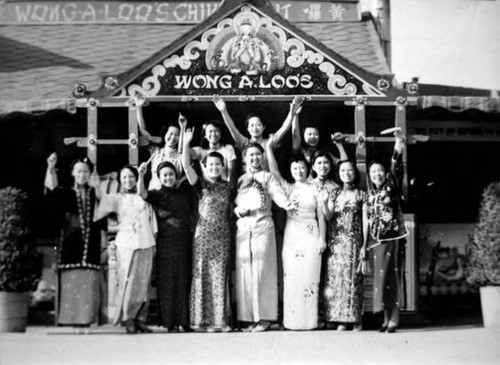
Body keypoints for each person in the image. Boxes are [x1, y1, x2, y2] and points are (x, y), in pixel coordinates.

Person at [44, 153, 107, 334]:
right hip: (71, 243)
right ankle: (73, 322)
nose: (82, 175)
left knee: (89, 283)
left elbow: (102, 217)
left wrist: (103, 242)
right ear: (73, 173)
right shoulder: (66, 192)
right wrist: (50, 167)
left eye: (86, 171)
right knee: (72, 283)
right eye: (79, 171)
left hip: (92, 243)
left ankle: (87, 322)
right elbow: (51, 189)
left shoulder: (95, 192)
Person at [266, 142, 326, 330]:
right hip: (292, 235)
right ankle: (291, 321)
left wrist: (322, 238)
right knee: (291, 277)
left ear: (308, 169)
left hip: (311, 233)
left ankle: (310, 321)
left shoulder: (315, 188)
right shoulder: (287, 187)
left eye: (301, 167)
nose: (298, 171)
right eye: (294, 168)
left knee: (310, 276)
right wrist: (268, 148)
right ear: (291, 171)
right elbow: (274, 171)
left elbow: (321, 215)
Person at [233, 142, 292, 332]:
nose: (255, 158)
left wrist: (286, 205)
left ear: (263, 157)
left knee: (262, 272)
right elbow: (235, 202)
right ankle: (248, 318)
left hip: (263, 223)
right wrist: (237, 210)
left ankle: (265, 318)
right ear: (244, 158)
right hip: (244, 226)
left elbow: (277, 195)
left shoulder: (268, 177)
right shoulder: (241, 179)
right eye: (251, 155)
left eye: (258, 155)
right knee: (245, 273)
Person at [182, 127, 234, 332]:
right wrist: (186, 143)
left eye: (217, 164)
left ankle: (220, 322)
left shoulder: (228, 187)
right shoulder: (200, 184)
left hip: (222, 237)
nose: (214, 167)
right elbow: (185, 166)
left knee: (220, 275)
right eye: (210, 164)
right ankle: (200, 321)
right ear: (205, 166)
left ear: (222, 166)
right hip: (202, 236)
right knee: (202, 275)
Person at [96, 165, 158, 334]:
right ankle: (127, 318)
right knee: (128, 281)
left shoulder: (144, 196)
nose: (128, 180)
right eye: (124, 177)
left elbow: (152, 220)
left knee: (144, 283)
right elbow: (100, 208)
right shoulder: (116, 198)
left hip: (146, 241)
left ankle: (140, 319)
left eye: (131, 176)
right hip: (125, 243)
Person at [138, 160, 192, 332]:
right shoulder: (157, 194)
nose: (168, 178)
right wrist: (141, 175)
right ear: (160, 178)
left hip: (184, 242)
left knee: (184, 280)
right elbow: (142, 194)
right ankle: (170, 323)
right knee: (168, 282)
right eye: (165, 175)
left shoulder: (184, 193)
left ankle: (185, 321)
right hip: (166, 242)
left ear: (176, 176)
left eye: (171, 174)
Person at [366, 129, 408, 333]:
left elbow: (396, 164)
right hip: (377, 241)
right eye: (373, 172)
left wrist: (398, 143)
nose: (377, 174)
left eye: (379, 171)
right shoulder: (371, 193)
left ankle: (395, 318)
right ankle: (385, 318)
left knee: (393, 276)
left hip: (393, 238)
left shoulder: (391, 184)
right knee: (381, 279)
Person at [320, 160, 368, 331]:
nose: (346, 173)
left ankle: (356, 319)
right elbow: (328, 216)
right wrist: (325, 203)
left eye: (349, 170)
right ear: (338, 173)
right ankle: (341, 319)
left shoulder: (361, 194)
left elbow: (365, 221)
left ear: (355, 173)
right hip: (336, 244)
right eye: (342, 170)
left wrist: (365, 244)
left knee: (354, 280)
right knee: (337, 281)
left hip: (354, 242)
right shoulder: (335, 193)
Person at [212, 95, 305, 171]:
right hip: (249, 182)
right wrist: (223, 111)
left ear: (263, 127)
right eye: (252, 125)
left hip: (268, 181)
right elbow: (232, 128)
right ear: (247, 129)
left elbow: (284, 128)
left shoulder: (269, 142)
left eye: (258, 125)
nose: (255, 128)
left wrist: (292, 112)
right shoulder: (244, 143)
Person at [134, 95, 187, 189]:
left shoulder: (182, 154)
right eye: (170, 134)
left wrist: (183, 128)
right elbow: (143, 130)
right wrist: (138, 107)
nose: (173, 137)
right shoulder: (156, 151)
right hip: (154, 192)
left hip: (173, 195)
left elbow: (190, 172)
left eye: (176, 135)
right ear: (165, 134)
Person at [190, 119, 237, 184]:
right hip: (207, 189)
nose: (213, 134)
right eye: (210, 131)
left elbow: (231, 174)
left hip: (225, 188)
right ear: (205, 135)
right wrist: (186, 141)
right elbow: (183, 153)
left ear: (221, 133)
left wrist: (228, 190)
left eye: (216, 131)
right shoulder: (201, 151)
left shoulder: (228, 148)